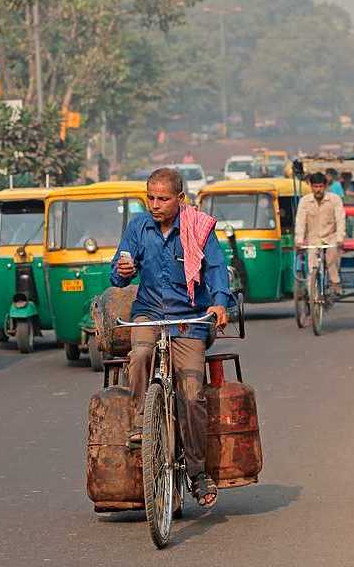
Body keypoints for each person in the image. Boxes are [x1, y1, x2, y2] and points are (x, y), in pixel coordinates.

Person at [111, 167, 233, 509]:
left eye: (162, 198)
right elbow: (118, 274)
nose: (155, 204)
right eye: (150, 197)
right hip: (149, 311)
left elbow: (216, 269)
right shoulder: (137, 227)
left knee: (192, 394)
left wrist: (220, 304)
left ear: (180, 199)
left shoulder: (198, 227)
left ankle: (197, 471)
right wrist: (121, 271)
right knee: (139, 355)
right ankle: (141, 422)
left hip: (188, 319)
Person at [295, 172, 346, 295]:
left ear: (325, 186)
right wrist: (299, 239)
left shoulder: (334, 199)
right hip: (313, 239)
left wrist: (340, 238)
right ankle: (313, 295)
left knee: (331, 260)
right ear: (311, 186)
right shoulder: (304, 201)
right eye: (315, 187)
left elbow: (340, 219)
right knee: (312, 266)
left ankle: (335, 282)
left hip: (331, 237)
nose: (318, 190)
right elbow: (300, 221)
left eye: (320, 186)